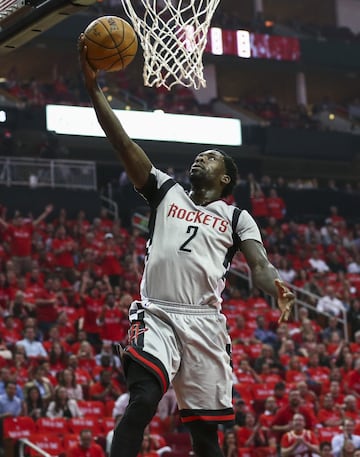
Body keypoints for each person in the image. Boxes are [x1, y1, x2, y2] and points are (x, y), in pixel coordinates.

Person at [78, 35, 295, 457]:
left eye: (210, 157)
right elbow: (122, 143)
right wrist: (93, 88)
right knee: (143, 399)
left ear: (226, 178)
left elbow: (260, 266)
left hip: (205, 323)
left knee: (205, 438)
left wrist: (277, 287)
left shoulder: (236, 217)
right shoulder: (165, 190)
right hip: (157, 311)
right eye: (199, 155)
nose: (200, 158)